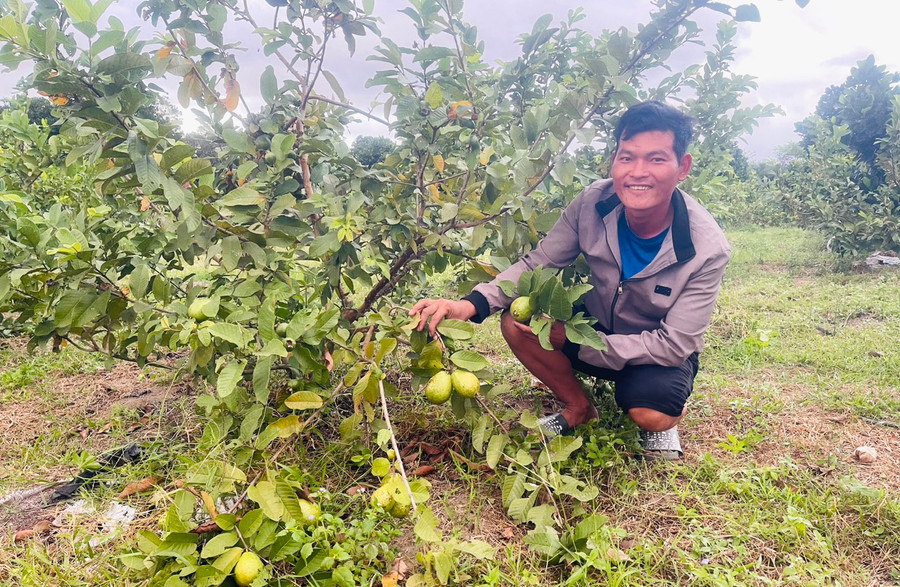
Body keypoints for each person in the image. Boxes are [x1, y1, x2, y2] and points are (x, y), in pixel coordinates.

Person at [410, 101, 731, 459]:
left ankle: (665, 417)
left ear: (682, 167)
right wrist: (468, 305)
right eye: (627, 157)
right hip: (591, 323)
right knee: (517, 321)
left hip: (651, 353)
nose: (638, 172)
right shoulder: (594, 201)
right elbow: (540, 262)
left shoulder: (706, 247)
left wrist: (581, 341)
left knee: (651, 413)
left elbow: (674, 345)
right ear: (614, 160)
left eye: (656, 159)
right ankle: (579, 407)